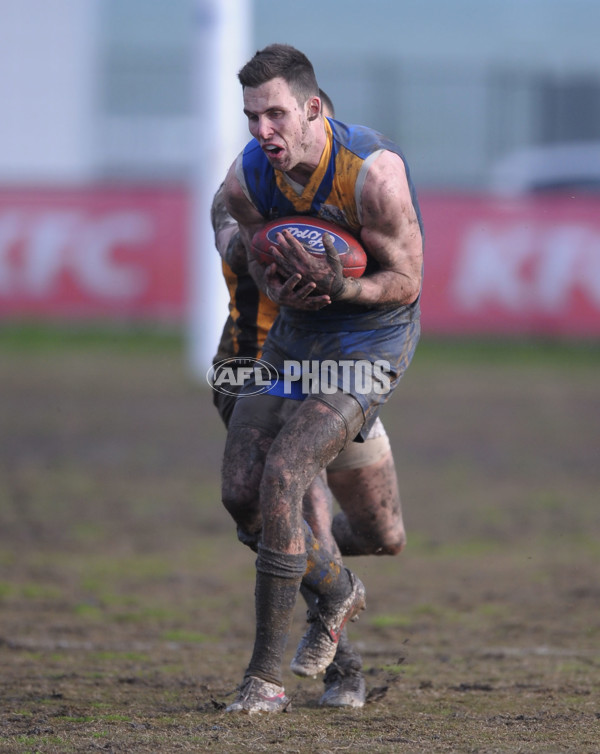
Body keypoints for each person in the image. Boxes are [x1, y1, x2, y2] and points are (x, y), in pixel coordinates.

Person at [220, 44, 424, 714]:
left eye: (274, 114)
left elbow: (407, 282)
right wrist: (269, 267)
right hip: (290, 343)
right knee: (244, 494)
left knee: (291, 477)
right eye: (252, 116)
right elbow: (243, 233)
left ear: (313, 108)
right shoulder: (249, 178)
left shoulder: (372, 174)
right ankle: (336, 592)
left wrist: (340, 282)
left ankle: (264, 680)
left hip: (368, 343)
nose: (261, 130)